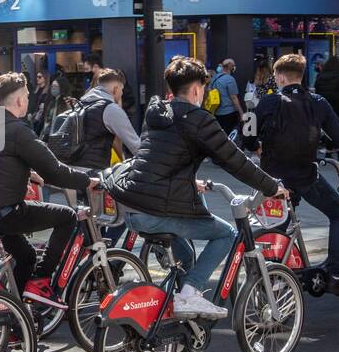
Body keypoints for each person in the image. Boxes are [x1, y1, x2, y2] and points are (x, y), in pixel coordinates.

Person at [107, 58, 286, 319]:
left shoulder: (157, 114)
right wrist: (272, 187)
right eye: (203, 88)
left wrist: (190, 182)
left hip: (133, 205)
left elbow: (160, 161)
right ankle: (190, 295)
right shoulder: (198, 119)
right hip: (157, 208)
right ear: (195, 90)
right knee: (225, 234)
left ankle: (167, 317)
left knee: (186, 259)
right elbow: (234, 160)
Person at [248, 54, 339, 296]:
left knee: (281, 224)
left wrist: (256, 147)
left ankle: (275, 273)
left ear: (279, 77)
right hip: (305, 175)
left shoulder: (267, 102)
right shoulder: (318, 102)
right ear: (301, 77)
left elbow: (247, 133)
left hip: (273, 178)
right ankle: (335, 274)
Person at [0, 72, 98, 300]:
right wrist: (87, 181)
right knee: (67, 217)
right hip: (5, 212)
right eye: (26, 95)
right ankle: (41, 280)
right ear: (19, 101)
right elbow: (54, 171)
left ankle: (15, 310)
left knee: (26, 256)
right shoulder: (18, 130)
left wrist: (27, 172)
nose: (27, 100)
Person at [70, 68, 141, 169]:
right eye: (122, 89)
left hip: (70, 171)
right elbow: (136, 146)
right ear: (115, 89)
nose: (121, 93)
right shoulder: (110, 109)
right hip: (92, 173)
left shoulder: (81, 104)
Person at [210, 59, 245, 137]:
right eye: (233, 66)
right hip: (229, 113)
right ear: (230, 67)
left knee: (220, 135)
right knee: (230, 136)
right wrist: (241, 113)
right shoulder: (230, 79)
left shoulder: (214, 78)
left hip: (216, 112)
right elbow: (234, 98)